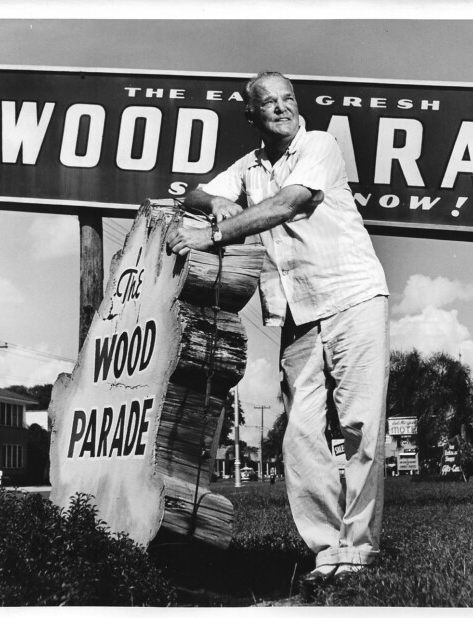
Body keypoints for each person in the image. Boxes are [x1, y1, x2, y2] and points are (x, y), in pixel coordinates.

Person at [166, 71, 389, 589]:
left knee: (360, 426)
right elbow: (194, 192)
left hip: (352, 295)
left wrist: (215, 231)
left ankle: (358, 551)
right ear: (252, 114)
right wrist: (213, 202)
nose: (282, 108)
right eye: (269, 102)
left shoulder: (319, 145)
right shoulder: (249, 166)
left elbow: (291, 202)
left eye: (288, 99)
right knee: (298, 435)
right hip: (296, 312)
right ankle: (327, 549)